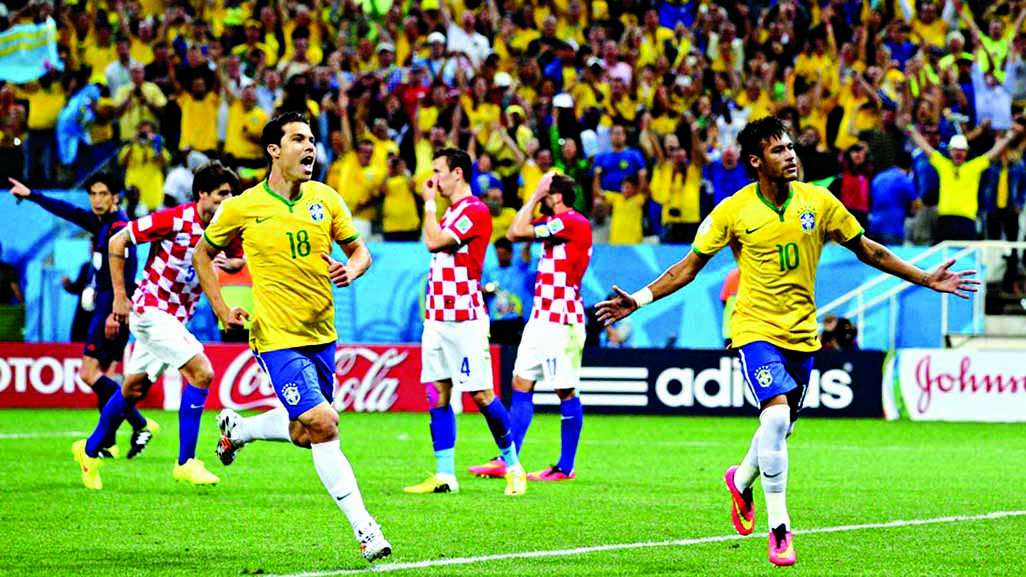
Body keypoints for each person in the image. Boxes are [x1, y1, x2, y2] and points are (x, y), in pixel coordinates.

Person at [596, 116, 979, 567]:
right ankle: (780, 530)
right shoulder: (732, 211)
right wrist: (638, 300)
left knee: (779, 429)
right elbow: (687, 268)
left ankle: (740, 481)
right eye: (779, 150)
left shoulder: (819, 200)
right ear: (757, 161)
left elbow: (869, 250)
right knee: (775, 420)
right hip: (754, 330)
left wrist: (925, 278)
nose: (791, 155)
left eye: (791, 148)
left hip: (802, 335)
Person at [194, 113, 391, 564]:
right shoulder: (243, 206)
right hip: (275, 337)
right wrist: (222, 309)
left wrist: (352, 268)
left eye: (313, 140)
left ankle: (239, 429)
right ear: (274, 150)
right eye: (299, 139)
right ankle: (366, 529)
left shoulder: (325, 198)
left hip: (322, 335)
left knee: (306, 434)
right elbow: (202, 254)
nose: (310, 147)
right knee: (325, 423)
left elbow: (360, 251)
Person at [71, 162, 244, 490]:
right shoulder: (175, 218)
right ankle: (186, 462)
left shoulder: (225, 228)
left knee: (132, 389)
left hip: (175, 317)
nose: (228, 200)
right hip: (150, 310)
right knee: (202, 372)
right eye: (222, 194)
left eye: (232, 195)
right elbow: (117, 241)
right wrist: (120, 297)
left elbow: (236, 259)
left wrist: (232, 262)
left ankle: (89, 451)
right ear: (202, 194)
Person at [403, 147, 528, 497]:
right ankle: (445, 475)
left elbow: (433, 242)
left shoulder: (474, 210)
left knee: (481, 394)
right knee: (437, 394)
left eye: (438, 171)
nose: (433, 179)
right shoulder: (454, 212)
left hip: (464, 318)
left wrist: (428, 203)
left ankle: (513, 466)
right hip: (437, 318)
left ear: (458, 173)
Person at [10, 174, 155, 459]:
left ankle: (141, 424)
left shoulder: (119, 228)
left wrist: (116, 309)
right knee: (106, 375)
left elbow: (127, 271)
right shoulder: (100, 222)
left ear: (115, 197)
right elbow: (68, 210)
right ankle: (109, 443)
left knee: (89, 374)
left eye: (103, 194)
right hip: (109, 305)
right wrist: (32, 194)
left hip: (112, 308)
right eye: (93, 194)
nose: (97, 200)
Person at [469, 173, 592, 482]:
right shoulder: (556, 227)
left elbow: (515, 231)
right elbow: (516, 230)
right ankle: (508, 458)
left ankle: (565, 466)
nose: (541, 199)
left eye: (547, 194)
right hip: (540, 318)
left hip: (562, 319)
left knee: (565, 389)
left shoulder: (573, 222)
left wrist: (536, 192)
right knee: (521, 384)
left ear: (557, 197)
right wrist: (538, 196)